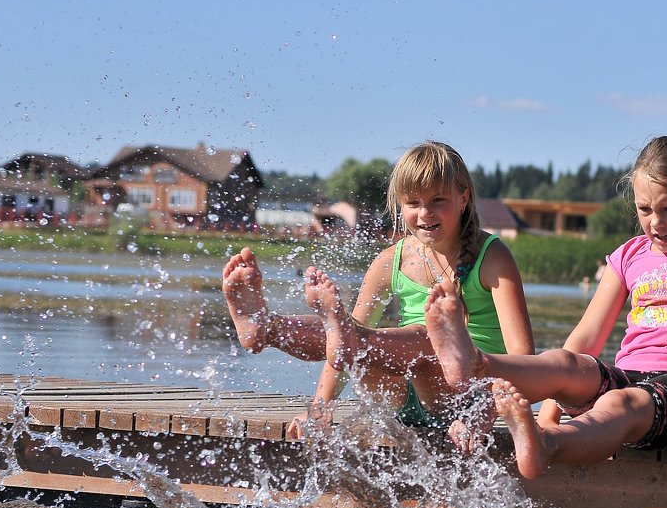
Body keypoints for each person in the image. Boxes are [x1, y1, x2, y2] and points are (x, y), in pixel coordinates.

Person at [422, 135, 667, 478]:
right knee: (566, 361)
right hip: (631, 377)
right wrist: (549, 411)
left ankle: (549, 445)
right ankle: (476, 364)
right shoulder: (630, 254)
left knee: (620, 403)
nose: (655, 223)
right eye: (644, 209)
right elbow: (586, 337)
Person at [221, 140, 534, 444]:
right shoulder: (390, 261)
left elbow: (524, 360)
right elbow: (341, 344)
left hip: (466, 399)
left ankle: (271, 327)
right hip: (398, 399)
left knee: (429, 335)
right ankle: (266, 326)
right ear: (400, 204)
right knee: (352, 339)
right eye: (413, 203)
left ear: (463, 199)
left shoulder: (491, 256)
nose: (425, 213)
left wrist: (488, 411)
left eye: (438, 200)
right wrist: (319, 410)